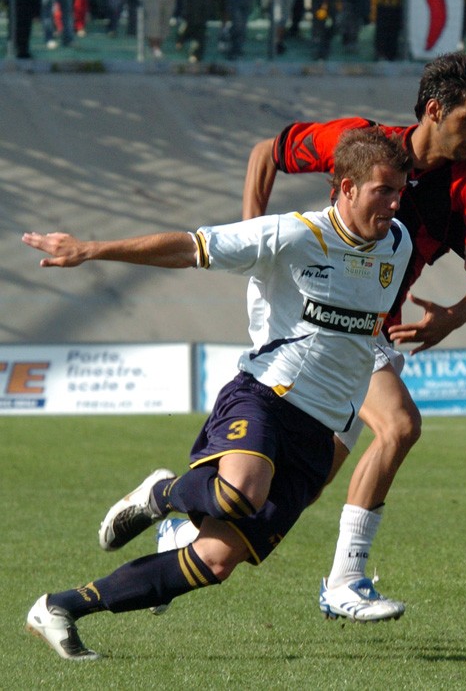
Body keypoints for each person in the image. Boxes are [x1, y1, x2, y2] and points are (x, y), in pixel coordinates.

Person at [23, 126, 414, 661]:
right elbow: (190, 247)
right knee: (240, 492)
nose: (394, 204)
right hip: (266, 394)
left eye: (400, 191)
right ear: (345, 188)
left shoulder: (398, 242)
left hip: (318, 432)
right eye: (382, 191)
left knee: (213, 561)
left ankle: (61, 606)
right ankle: (162, 496)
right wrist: (91, 249)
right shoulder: (292, 235)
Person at [157, 53, 466, 623]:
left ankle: (184, 516)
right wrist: (254, 240)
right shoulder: (362, 144)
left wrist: (450, 316)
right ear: (433, 111)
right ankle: (346, 581)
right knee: (400, 425)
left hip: (365, 329)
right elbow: (264, 154)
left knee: (313, 474)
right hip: (319, 322)